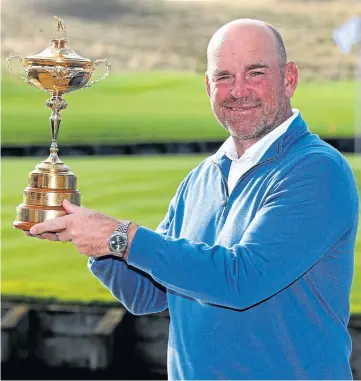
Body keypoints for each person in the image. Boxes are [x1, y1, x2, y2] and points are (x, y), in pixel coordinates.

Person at [28, 19, 359, 380]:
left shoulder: (317, 170)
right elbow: (146, 293)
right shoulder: (201, 178)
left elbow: (242, 279)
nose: (239, 90)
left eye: (256, 73)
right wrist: (89, 238)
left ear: (289, 78)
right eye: (224, 77)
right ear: (207, 86)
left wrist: (119, 236)